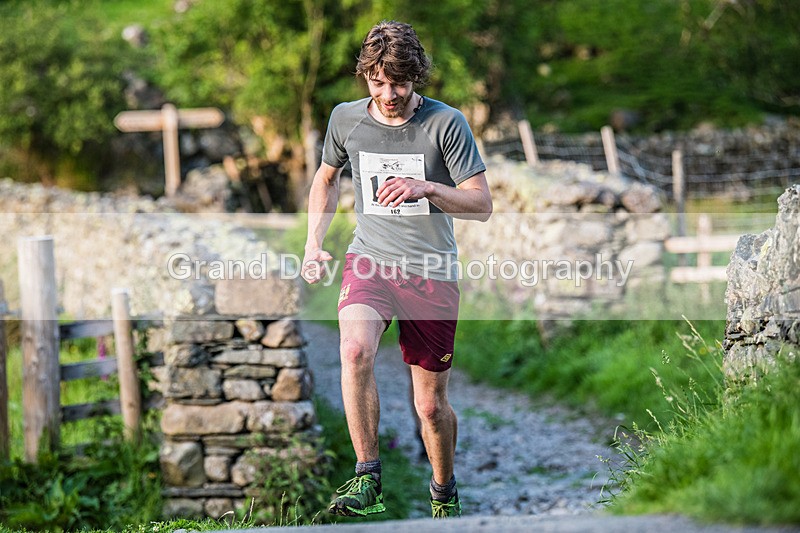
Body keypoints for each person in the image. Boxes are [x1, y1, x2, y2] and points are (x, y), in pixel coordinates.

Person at [302, 20, 492, 519]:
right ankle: (368, 478)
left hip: (431, 269)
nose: (389, 94)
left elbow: (481, 203)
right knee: (353, 348)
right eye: (378, 82)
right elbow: (326, 179)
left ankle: (444, 491)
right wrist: (312, 244)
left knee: (429, 406)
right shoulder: (345, 119)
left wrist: (426, 187)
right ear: (366, 76)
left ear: (417, 79)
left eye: (400, 83)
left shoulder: (445, 124)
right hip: (371, 259)